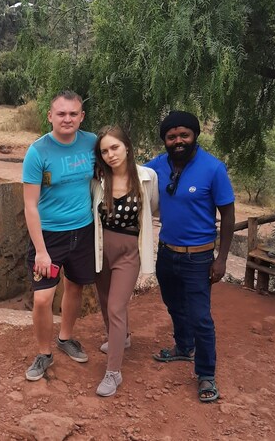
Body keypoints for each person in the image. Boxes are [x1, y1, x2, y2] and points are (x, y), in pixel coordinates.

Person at [146, 111, 235, 403]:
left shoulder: (213, 168)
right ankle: (184, 348)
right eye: (172, 137)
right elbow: (126, 173)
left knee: (200, 317)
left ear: (195, 135)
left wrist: (221, 258)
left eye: (184, 134)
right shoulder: (157, 166)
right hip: (166, 252)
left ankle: (206, 374)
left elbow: (228, 214)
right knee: (173, 304)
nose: (178, 141)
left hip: (199, 258)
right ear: (165, 140)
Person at [22, 90, 97, 381]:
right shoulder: (38, 152)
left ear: (82, 116)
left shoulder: (91, 143)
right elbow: (30, 205)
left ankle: (65, 338)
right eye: (61, 113)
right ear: (50, 116)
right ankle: (44, 353)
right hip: (49, 236)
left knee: (75, 287)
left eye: (73, 114)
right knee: (42, 298)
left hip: (83, 230)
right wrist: (40, 250)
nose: (67, 119)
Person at [91, 125, 158, 396]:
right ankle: (124, 339)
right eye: (104, 151)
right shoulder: (98, 178)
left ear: (127, 146)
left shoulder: (147, 177)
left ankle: (113, 372)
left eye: (114, 147)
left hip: (129, 252)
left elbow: (152, 208)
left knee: (117, 307)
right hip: (99, 248)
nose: (110, 155)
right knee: (104, 300)